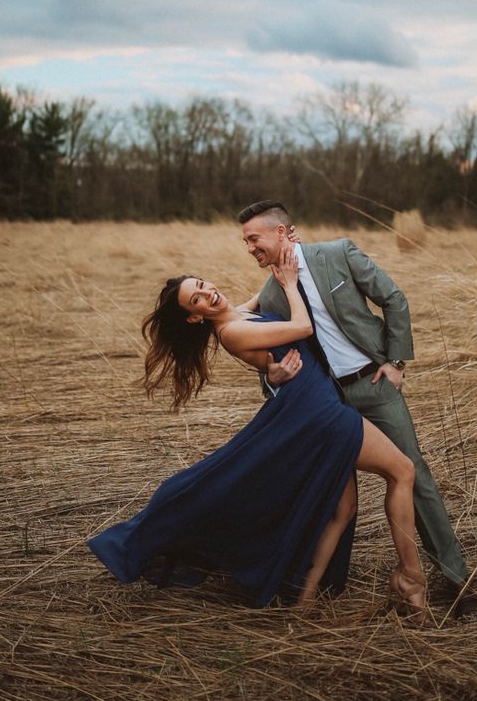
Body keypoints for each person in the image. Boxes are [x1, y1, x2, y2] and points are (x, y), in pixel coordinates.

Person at [88, 247, 427, 620]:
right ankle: (411, 578)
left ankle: (305, 602)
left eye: (201, 285)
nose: (207, 293)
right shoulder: (231, 331)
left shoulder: (239, 313)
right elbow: (302, 327)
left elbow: (266, 292)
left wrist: (286, 249)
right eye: (196, 299)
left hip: (313, 409)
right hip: (321, 414)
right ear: (193, 317)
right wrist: (292, 285)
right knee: (403, 471)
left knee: (342, 512)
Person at [238, 199, 477, 620]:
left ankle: (456, 578)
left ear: (281, 232)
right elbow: (264, 347)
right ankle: (314, 585)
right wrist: (270, 378)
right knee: (333, 494)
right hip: (329, 403)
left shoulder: (337, 253)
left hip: (374, 385)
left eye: (253, 238)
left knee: (413, 473)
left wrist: (395, 361)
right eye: (245, 242)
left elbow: (393, 298)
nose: (249, 248)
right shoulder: (272, 293)